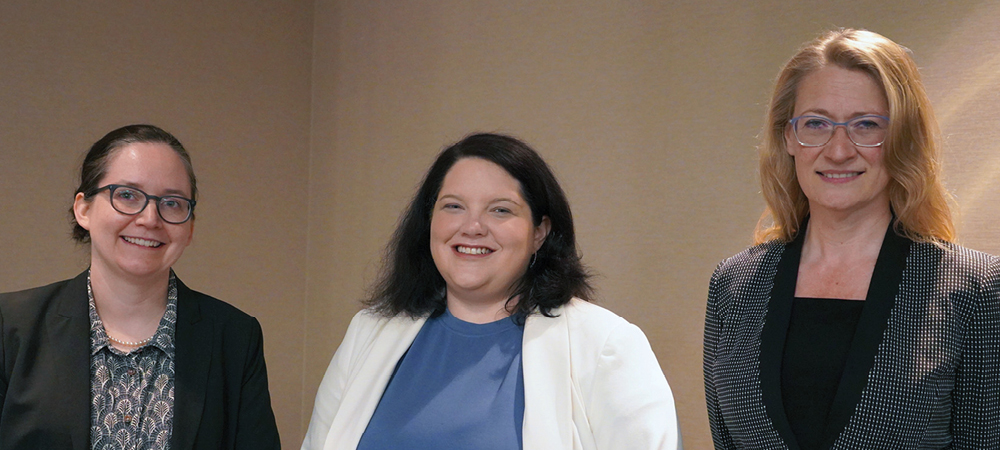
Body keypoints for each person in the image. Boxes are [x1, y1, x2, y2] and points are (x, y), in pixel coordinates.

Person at [703, 28, 1000, 450]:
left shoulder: (977, 289)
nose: (838, 150)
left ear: (902, 138)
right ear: (788, 136)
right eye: (816, 124)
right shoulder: (733, 286)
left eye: (866, 125)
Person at [302, 133, 680, 450]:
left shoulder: (605, 346)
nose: (472, 227)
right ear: (429, 221)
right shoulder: (368, 333)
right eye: (453, 206)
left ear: (540, 232)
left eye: (500, 210)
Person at [0, 124, 281, 449]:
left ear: (189, 228)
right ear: (84, 209)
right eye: (127, 195)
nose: (150, 218)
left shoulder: (234, 337)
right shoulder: (10, 327)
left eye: (172, 203)